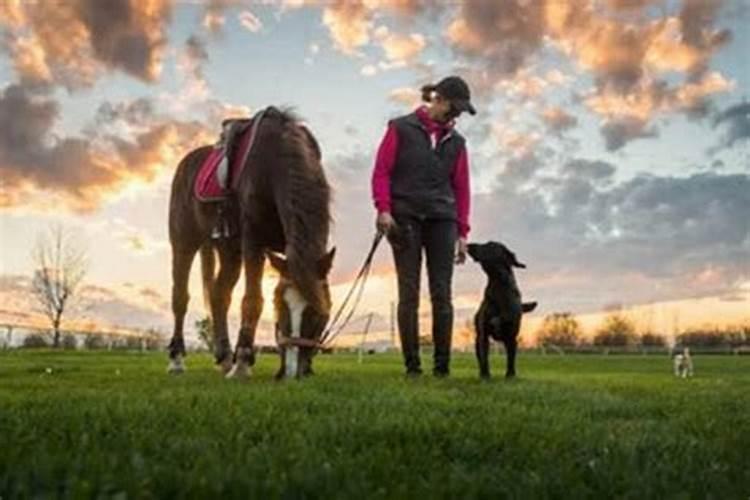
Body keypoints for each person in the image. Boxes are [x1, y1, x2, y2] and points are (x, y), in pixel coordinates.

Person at [371, 76, 475, 377]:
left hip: (443, 219)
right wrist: (384, 209)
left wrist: (462, 232)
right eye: (453, 109)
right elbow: (381, 172)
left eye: (460, 112)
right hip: (404, 218)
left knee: (442, 293)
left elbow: (462, 189)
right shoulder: (400, 128)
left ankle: (442, 368)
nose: (455, 116)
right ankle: (412, 367)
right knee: (409, 293)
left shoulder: (457, 143)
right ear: (438, 99)